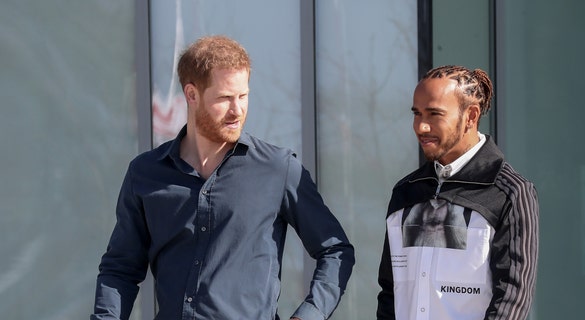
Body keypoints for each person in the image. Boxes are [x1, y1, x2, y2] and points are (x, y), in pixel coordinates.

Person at [91, 35, 355, 320]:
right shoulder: (145, 174)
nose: (237, 110)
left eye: (243, 96)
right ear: (192, 95)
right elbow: (120, 270)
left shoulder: (278, 169)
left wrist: (309, 315)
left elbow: (335, 250)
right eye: (225, 98)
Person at [376, 65, 539, 320]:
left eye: (434, 114)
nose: (422, 127)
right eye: (417, 114)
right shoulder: (405, 192)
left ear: (471, 116)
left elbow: (511, 301)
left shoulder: (510, 193)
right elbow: (389, 293)